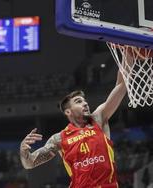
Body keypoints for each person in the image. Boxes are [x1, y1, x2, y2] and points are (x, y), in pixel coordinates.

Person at [20, 50, 131, 187]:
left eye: (85, 101)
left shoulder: (98, 119)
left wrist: (129, 55)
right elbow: (29, 163)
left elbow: (121, 86)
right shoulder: (59, 139)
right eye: (78, 101)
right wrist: (23, 150)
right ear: (68, 111)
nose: (85, 103)